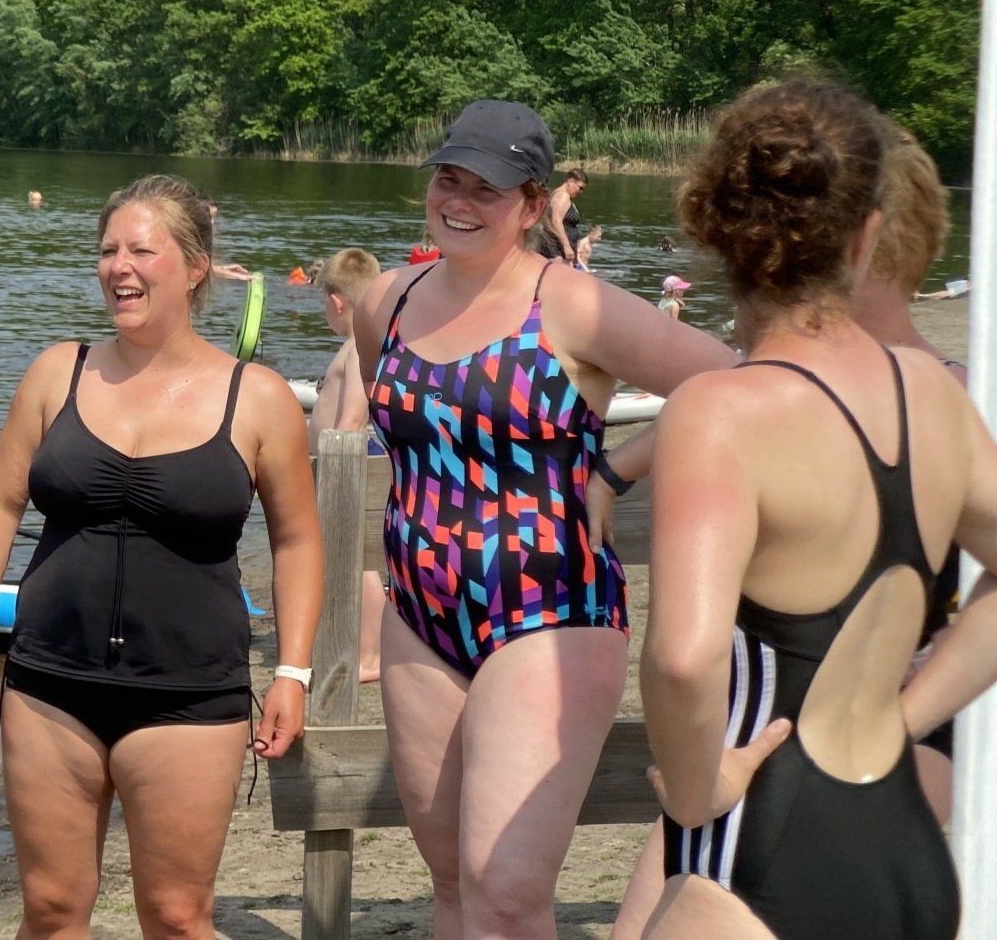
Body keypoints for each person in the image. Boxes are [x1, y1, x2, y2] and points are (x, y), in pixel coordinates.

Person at [347, 99, 738, 936]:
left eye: (485, 189)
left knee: (507, 892)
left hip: (551, 613)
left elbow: (736, 386)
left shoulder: (573, 305)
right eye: (449, 179)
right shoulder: (387, 301)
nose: (458, 201)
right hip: (419, 617)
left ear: (531, 206)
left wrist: (619, 468)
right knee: (452, 885)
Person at [637, 79, 997, 939]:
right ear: (868, 234)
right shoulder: (932, 392)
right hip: (904, 852)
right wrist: (906, 715)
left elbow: (684, 660)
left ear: (711, 226)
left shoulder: (720, 413)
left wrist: (695, 792)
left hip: (764, 852)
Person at [0, 174, 324, 937]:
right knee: (51, 909)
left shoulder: (258, 397)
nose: (118, 266)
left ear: (195, 266)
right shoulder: (57, 372)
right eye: (107, 250)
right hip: (50, 684)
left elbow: (296, 540)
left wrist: (293, 671)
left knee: (177, 917)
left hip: (189, 695)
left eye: (141, 250)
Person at [311, 248, 389, 684]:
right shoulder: (357, 343)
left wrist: (334, 472)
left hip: (347, 465)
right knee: (351, 560)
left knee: (360, 563)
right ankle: (361, 646)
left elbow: (353, 418)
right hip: (339, 463)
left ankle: (371, 655)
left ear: (337, 301)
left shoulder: (360, 345)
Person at [532, 166, 587, 262]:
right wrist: (566, 246)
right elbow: (556, 221)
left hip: (557, 248)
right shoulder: (562, 196)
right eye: (580, 187)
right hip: (557, 249)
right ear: (571, 181)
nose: (581, 192)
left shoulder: (558, 193)